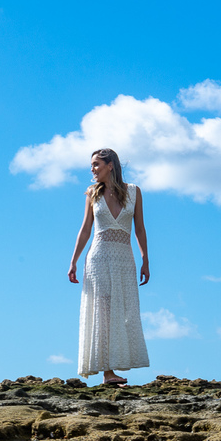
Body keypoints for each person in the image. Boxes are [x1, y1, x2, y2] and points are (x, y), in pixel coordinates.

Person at [67, 148, 149, 385]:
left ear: (110, 165)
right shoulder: (92, 193)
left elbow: (140, 229)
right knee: (103, 311)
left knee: (122, 311)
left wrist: (145, 260)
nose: (92, 169)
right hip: (99, 258)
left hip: (124, 258)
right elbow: (85, 230)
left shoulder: (134, 192)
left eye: (96, 164)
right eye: (91, 165)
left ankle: (113, 367)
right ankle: (108, 373)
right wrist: (73, 261)